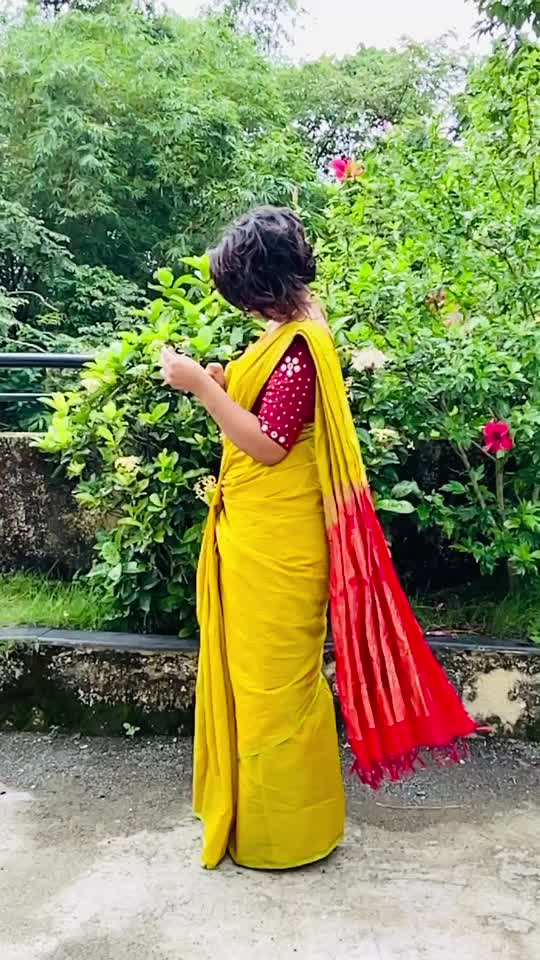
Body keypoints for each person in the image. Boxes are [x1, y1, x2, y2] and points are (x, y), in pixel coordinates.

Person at [160, 206, 476, 871]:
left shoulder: (300, 347)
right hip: (257, 530)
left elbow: (269, 446)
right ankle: (269, 821)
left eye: (245, 294)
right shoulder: (294, 329)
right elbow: (271, 415)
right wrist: (225, 382)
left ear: (264, 284)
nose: (245, 309)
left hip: (277, 541)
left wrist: (199, 389)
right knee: (262, 679)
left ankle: (287, 834)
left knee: (276, 685)